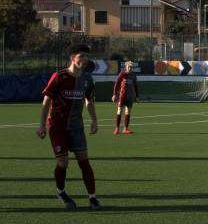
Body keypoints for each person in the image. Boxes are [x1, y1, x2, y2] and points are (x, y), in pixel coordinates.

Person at [36, 43, 101, 210]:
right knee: (63, 164)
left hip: (77, 127)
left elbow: (89, 101)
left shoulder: (87, 79)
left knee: (84, 161)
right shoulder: (59, 77)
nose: (85, 59)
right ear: (72, 58)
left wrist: (94, 120)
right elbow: (46, 101)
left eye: (87, 56)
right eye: (81, 56)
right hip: (57, 127)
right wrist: (42, 125)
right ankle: (61, 192)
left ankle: (93, 198)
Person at [111, 61, 139, 134]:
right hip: (122, 95)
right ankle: (117, 129)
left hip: (130, 96)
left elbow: (135, 87)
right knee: (119, 111)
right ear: (126, 67)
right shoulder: (122, 74)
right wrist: (114, 94)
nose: (130, 68)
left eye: (131, 67)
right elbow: (116, 84)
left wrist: (137, 96)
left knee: (128, 112)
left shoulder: (133, 76)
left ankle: (125, 129)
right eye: (129, 67)